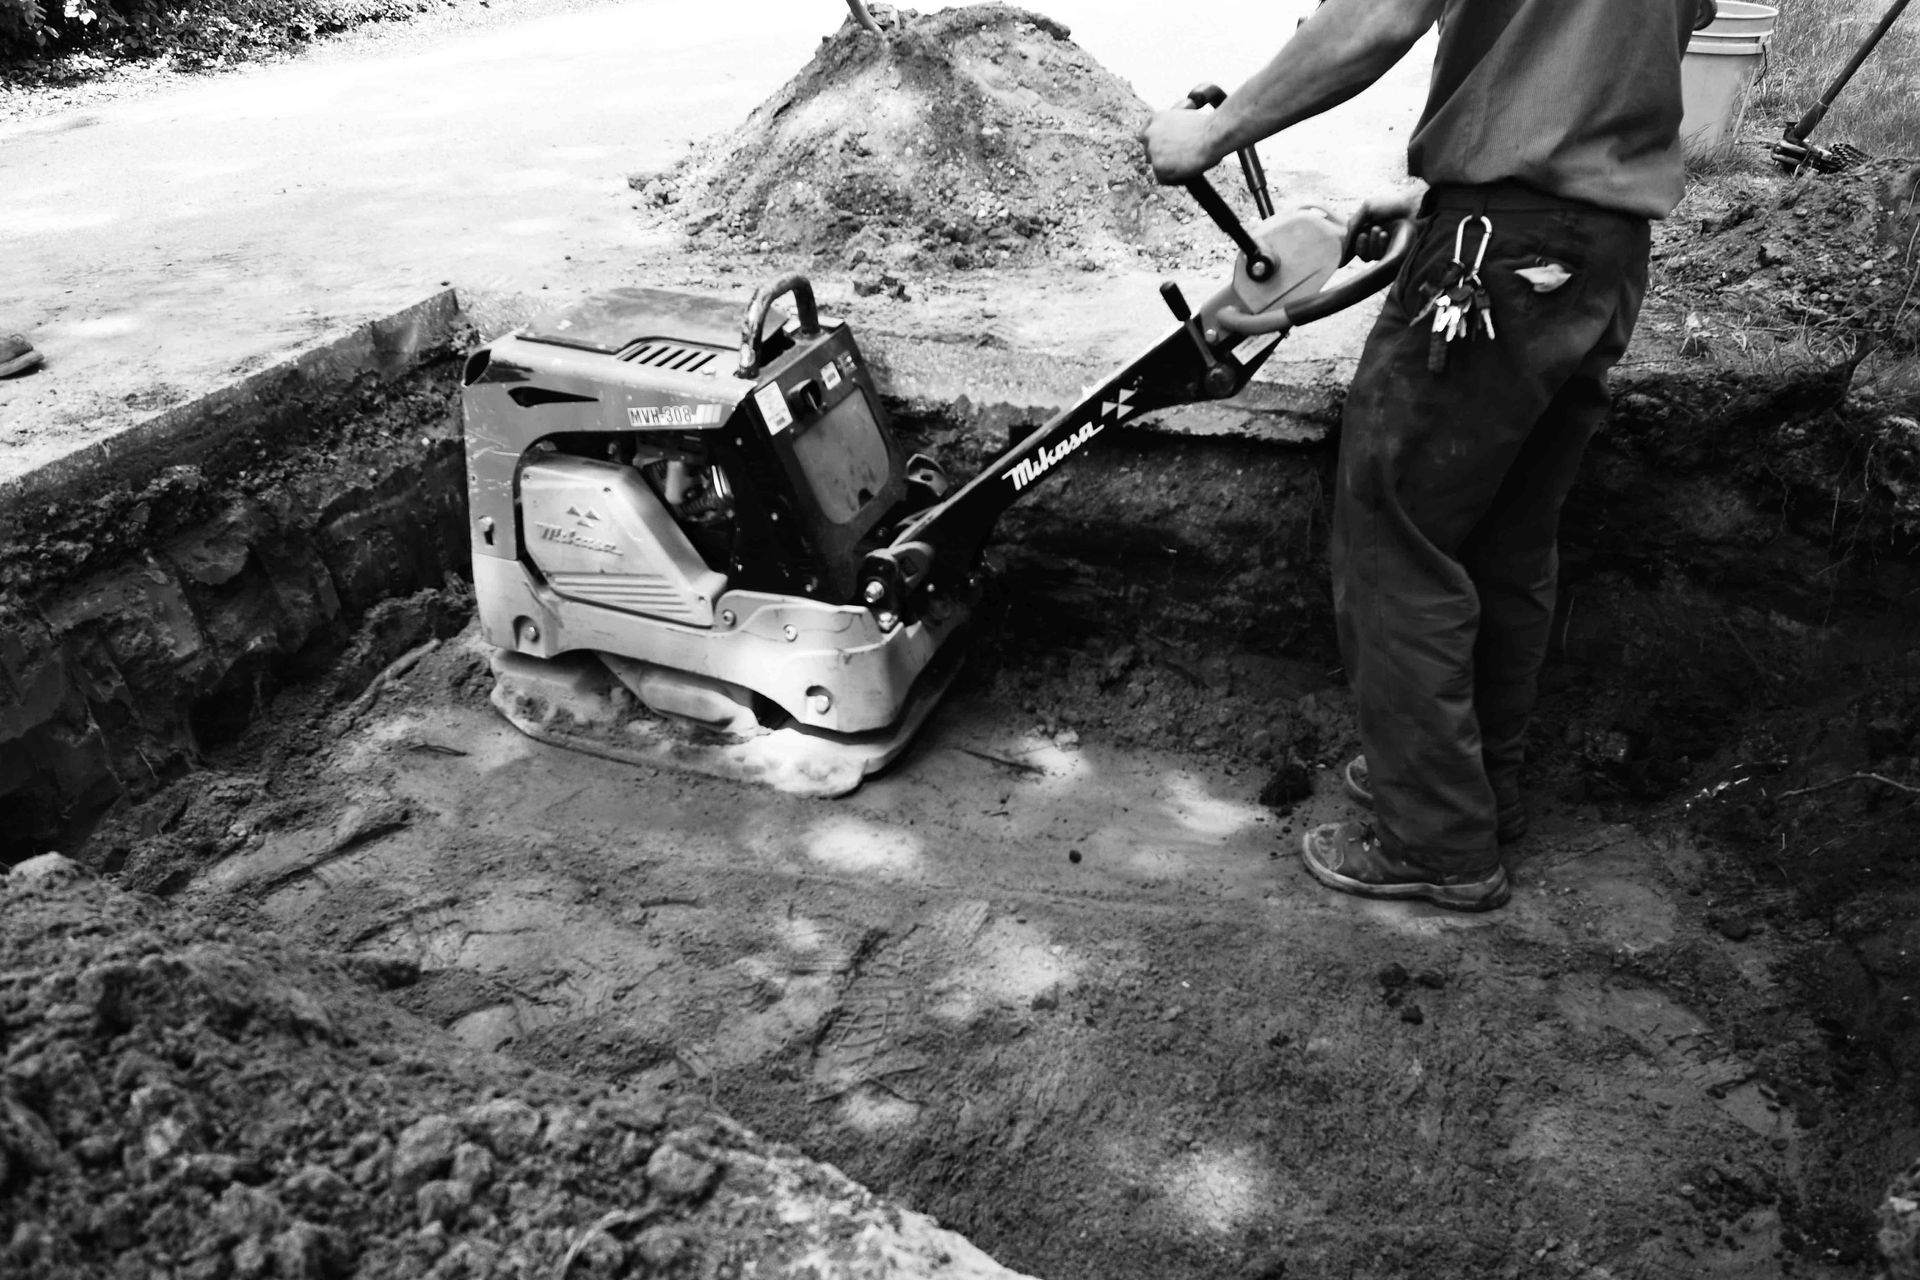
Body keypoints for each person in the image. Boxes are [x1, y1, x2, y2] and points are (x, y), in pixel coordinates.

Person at [1142, 0, 1715, 911]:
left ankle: (1434, 837)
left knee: (1392, 536)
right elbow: (1604, 56)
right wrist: (1444, 193)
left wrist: (1210, 135)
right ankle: (1474, 785)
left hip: (1493, 256)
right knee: (1506, 539)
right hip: (1601, 249)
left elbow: (1376, 16)